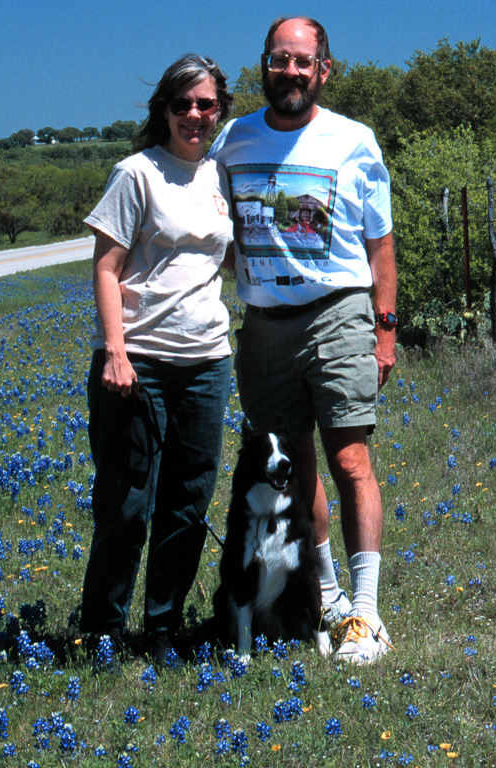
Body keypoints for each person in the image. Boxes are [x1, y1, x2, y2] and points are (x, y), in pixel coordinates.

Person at [208, 16, 398, 664]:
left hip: (339, 311)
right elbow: (208, 224)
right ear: (263, 64)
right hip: (264, 325)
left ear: (323, 70)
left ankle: (366, 615)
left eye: (302, 62)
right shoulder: (232, 142)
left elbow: (381, 242)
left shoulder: (353, 141)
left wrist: (386, 327)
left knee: (350, 461)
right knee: (292, 469)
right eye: (278, 60)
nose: (289, 71)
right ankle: (327, 596)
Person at [79, 54, 235, 664]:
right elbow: (105, 266)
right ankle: (103, 631)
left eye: (206, 105)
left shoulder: (222, 176)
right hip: (138, 359)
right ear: (164, 110)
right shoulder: (135, 173)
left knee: (189, 502)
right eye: (182, 105)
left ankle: (164, 626)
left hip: (207, 359)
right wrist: (114, 351)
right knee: (126, 502)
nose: (194, 116)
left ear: (220, 109)